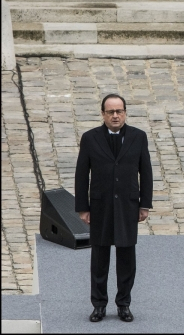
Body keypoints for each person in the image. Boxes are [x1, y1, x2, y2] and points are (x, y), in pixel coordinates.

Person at [75, 94, 153, 322]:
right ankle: (99, 305)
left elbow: (145, 172)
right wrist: (83, 207)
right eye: (111, 112)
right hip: (100, 206)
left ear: (125, 113)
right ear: (103, 114)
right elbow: (82, 175)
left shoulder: (139, 137)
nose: (115, 115)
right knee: (99, 258)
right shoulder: (90, 138)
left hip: (128, 206)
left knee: (126, 257)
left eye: (119, 111)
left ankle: (123, 304)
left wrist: (144, 204)